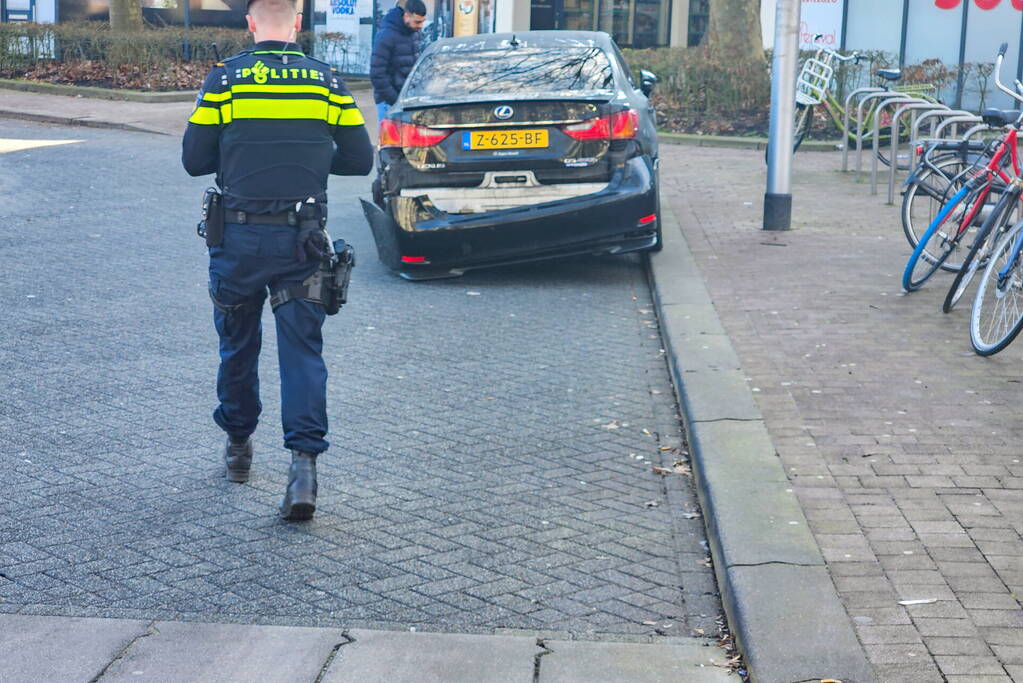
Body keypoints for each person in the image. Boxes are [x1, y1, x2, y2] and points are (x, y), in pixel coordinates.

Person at [181, 0, 373, 521]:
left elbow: (194, 160)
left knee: (237, 346)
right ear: (296, 23)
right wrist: (309, 152)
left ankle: (239, 446)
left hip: (238, 243)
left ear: (249, 23)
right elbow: (360, 159)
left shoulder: (225, 81)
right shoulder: (327, 83)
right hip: (303, 243)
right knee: (303, 354)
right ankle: (303, 472)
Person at [369, 0, 427, 122]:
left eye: (422, 22)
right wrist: (395, 100)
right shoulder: (386, 36)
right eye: (417, 22)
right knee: (391, 141)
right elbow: (377, 74)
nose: (420, 26)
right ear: (406, 16)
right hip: (389, 103)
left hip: (407, 100)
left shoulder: (413, 33)